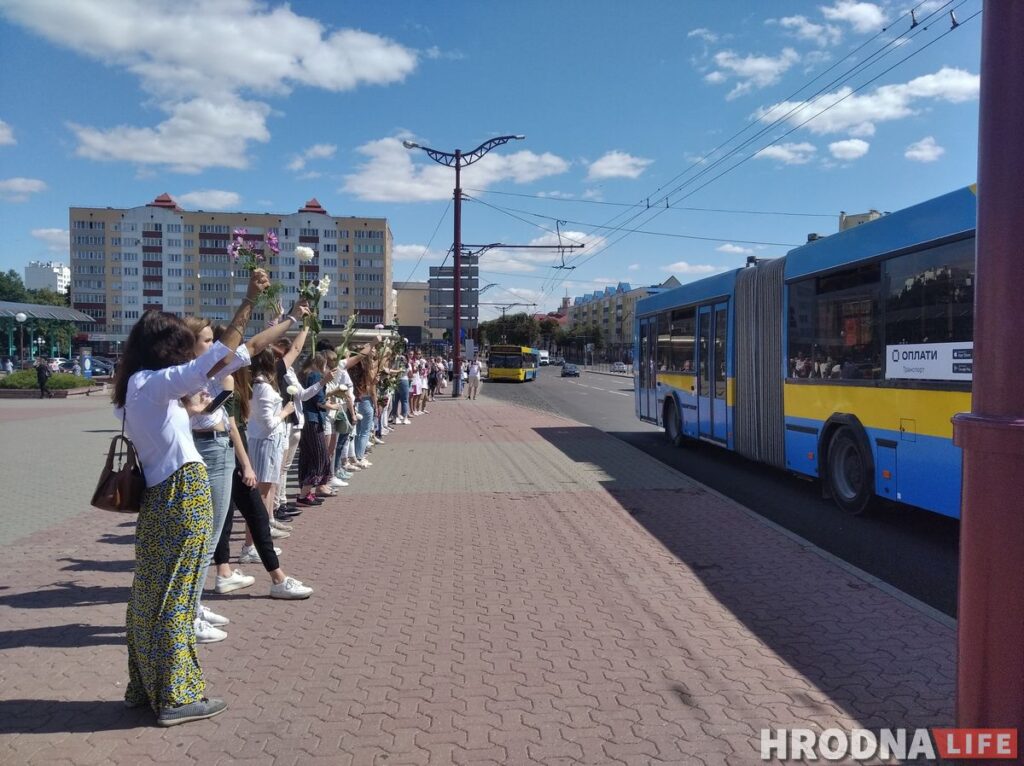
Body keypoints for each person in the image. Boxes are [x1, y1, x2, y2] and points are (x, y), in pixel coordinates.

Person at [112, 268, 270, 726]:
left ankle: (145, 687)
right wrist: (247, 300)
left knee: (150, 595)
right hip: (183, 494)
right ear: (169, 348)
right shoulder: (156, 383)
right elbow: (217, 358)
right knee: (177, 598)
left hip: (161, 498)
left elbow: (226, 360)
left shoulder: (135, 387)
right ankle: (177, 697)